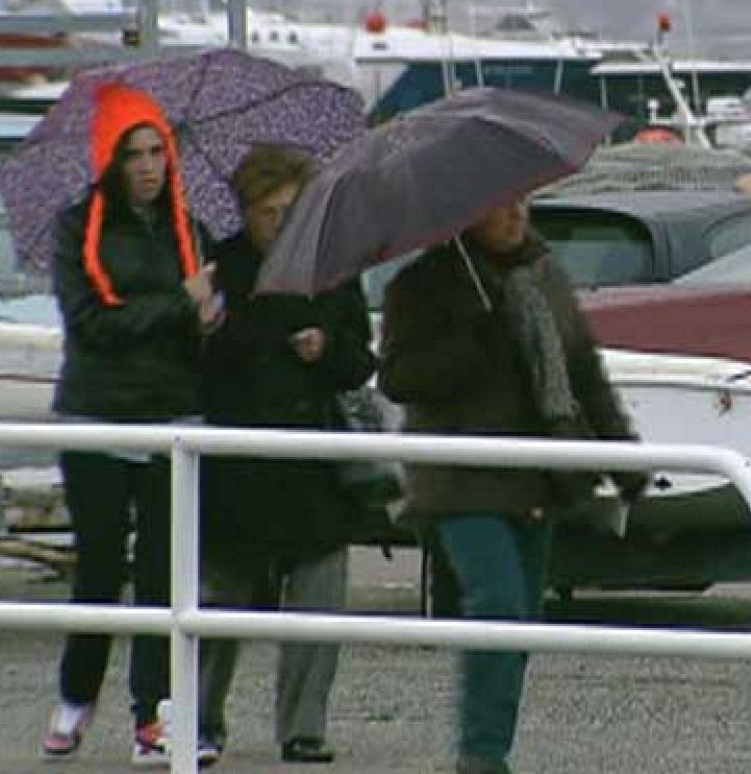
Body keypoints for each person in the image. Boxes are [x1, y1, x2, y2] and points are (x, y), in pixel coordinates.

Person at [378, 197, 646, 774]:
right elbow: (397, 378)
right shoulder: (421, 285)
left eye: (521, 201)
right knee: (496, 603)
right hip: (460, 479)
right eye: (499, 206)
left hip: (539, 475)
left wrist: (625, 459)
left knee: (522, 621)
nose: (515, 215)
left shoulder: (545, 276)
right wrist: (474, 340)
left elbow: (584, 373)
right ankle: (482, 755)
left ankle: (489, 744)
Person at [39, 82, 223, 767]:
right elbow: (91, 324)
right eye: (134, 154)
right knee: (99, 566)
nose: (148, 167)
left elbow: (194, 324)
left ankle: (155, 717)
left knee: (164, 576)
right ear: (109, 160)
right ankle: (75, 695)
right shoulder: (75, 228)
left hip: (173, 415)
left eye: (157, 152)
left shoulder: (191, 229)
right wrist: (179, 302)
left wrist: (209, 319)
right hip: (96, 414)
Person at [196, 144, 376, 764]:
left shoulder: (333, 269)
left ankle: (303, 727)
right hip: (237, 459)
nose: (281, 223)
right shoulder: (220, 269)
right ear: (246, 212)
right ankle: (199, 721)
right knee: (219, 600)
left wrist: (327, 347)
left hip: (313, 459)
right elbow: (199, 361)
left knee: (318, 595)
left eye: (292, 212)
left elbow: (361, 360)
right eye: (270, 212)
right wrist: (222, 327)